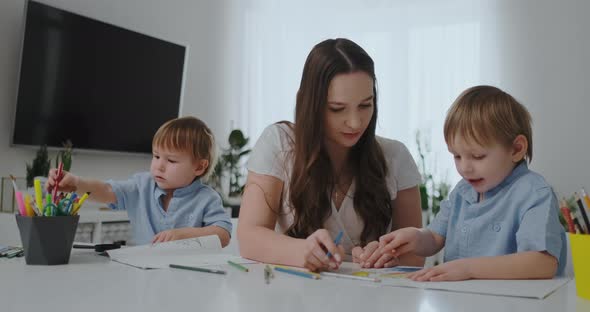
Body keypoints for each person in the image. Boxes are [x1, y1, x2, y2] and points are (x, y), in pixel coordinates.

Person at [237, 38, 424, 271]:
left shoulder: (395, 156)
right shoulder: (279, 143)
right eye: (337, 108)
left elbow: (415, 257)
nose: (355, 122)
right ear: (311, 104)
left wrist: (385, 256)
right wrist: (302, 251)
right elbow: (249, 237)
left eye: (365, 105)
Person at [379, 85, 566, 281]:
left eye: (477, 156)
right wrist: (416, 238)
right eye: (457, 156)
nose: (465, 168)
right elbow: (435, 238)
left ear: (516, 149)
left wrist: (469, 269)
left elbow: (543, 264)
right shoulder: (463, 190)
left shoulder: (534, 193)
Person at [46, 116, 232, 246]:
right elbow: (106, 191)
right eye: (156, 156)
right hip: (145, 274)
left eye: (171, 160)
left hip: (189, 278)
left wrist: (184, 235)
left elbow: (223, 235)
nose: (159, 166)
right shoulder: (142, 185)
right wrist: (77, 183)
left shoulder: (207, 198)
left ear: (199, 167)